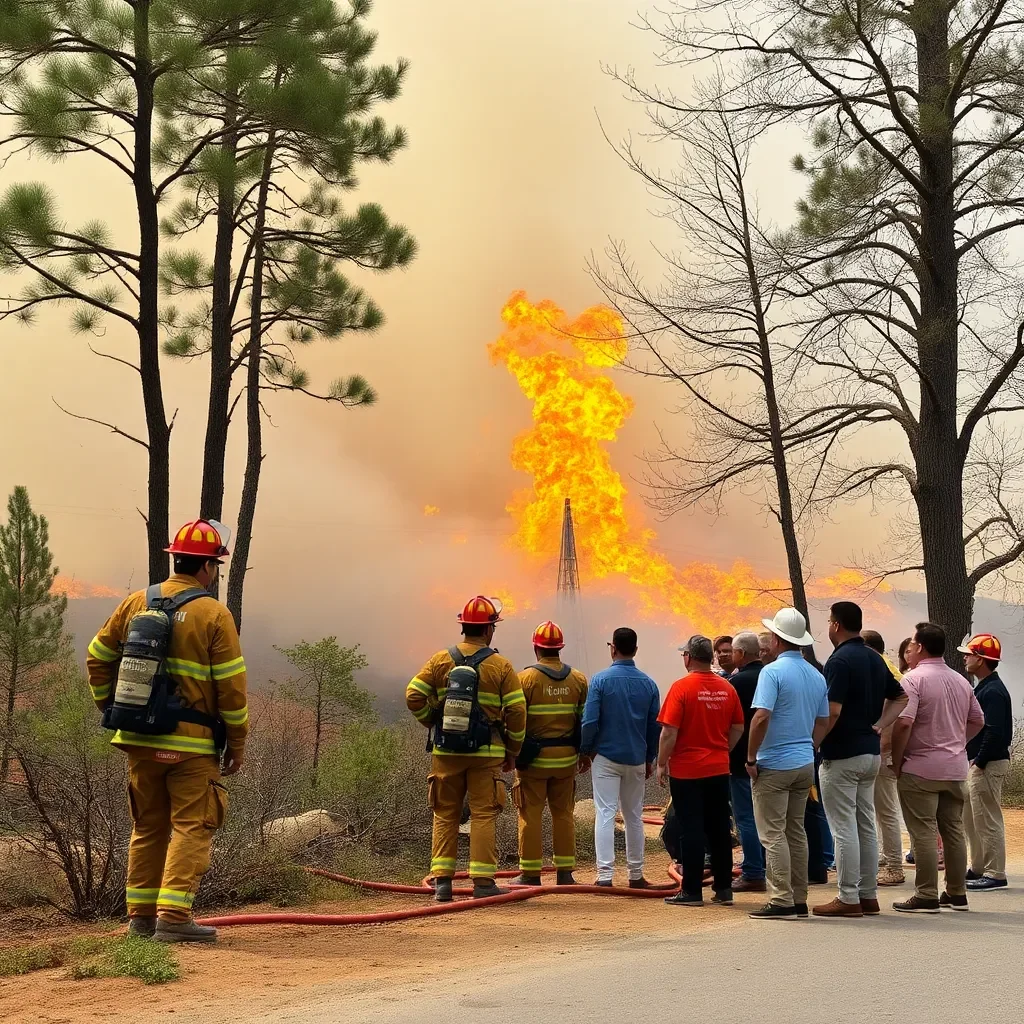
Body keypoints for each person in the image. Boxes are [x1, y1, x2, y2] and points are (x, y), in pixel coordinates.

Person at [86, 519, 248, 943]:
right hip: (191, 747)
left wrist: (113, 707)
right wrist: (237, 742)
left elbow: (98, 658)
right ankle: (174, 918)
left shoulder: (136, 602)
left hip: (139, 741)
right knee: (193, 825)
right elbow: (231, 686)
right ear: (209, 567)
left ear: (174, 558)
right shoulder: (214, 613)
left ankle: (140, 919)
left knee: (148, 827)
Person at [406, 595, 527, 902]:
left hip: (446, 752)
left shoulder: (440, 660)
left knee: (445, 814)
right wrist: (513, 749)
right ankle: (484, 882)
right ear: (489, 630)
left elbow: (413, 695)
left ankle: (443, 883)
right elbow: (516, 711)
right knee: (484, 814)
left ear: (463, 627)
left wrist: (432, 720)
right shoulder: (500, 665)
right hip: (486, 755)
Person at [813, 603, 907, 918]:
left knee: (843, 827)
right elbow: (901, 697)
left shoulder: (838, 660)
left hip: (842, 754)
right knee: (866, 823)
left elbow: (834, 710)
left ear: (836, 625)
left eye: (829, 621)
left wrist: (815, 742)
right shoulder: (874, 657)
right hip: (870, 754)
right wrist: (880, 725)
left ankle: (847, 897)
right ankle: (868, 895)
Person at [890, 622, 985, 914]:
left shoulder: (913, 680)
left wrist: (897, 759)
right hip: (955, 767)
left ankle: (926, 894)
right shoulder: (960, 680)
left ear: (919, 647)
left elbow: (904, 722)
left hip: (920, 767)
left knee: (923, 832)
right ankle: (957, 893)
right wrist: (957, 742)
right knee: (954, 830)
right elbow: (978, 720)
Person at [746, 608, 830, 921]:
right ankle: (799, 898)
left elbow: (761, 717)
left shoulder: (772, 673)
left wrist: (751, 757)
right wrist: (811, 745)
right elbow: (823, 720)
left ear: (779, 639)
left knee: (772, 833)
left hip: (774, 764)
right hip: (803, 763)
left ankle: (781, 898)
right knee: (796, 830)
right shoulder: (815, 674)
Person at [656, 635, 744, 907]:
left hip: (687, 771)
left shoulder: (681, 688)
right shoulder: (726, 688)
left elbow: (669, 731)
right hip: (718, 768)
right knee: (719, 827)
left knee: (691, 828)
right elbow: (738, 727)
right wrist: (721, 750)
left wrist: (661, 763)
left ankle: (692, 891)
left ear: (689, 658)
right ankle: (724, 888)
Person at [580, 627, 661, 888]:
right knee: (634, 816)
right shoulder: (649, 684)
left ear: (612, 648)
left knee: (605, 812)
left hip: (605, 757)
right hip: (636, 758)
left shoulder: (600, 681)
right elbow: (654, 726)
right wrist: (650, 758)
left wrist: (585, 750)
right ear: (635, 650)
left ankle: (605, 875)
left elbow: (590, 720)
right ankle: (636, 875)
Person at [513, 620, 589, 886]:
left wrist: (512, 754)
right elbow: (584, 723)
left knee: (530, 814)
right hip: (567, 760)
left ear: (536, 648)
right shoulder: (578, 679)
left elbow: (514, 721)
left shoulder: (524, 679)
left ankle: (530, 874)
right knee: (563, 813)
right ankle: (565, 873)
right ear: (560, 648)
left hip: (533, 762)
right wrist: (585, 755)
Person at [958, 633, 1013, 892]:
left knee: (988, 818)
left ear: (981, 660)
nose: (965, 658)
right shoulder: (985, 687)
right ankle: (978, 867)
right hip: (980, 762)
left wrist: (979, 762)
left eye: (969, 654)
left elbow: (995, 732)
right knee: (974, 818)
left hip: (987, 764)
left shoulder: (992, 691)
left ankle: (995, 872)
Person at [862, 630, 906, 886]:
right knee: (879, 809)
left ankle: (894, 865)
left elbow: (892, 717)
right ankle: (883, 856)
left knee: (886, 810)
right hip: (882, 749)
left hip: (883, 751)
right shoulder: (884, 668)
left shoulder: (884, 670)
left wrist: (885, 749)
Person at [727, 631, 766, 892]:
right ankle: (766, 865)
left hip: (741, 760)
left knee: (745, 817)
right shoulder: (770, 675)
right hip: (772, 757)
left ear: (741, 653)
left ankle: (753, 871)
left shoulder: (736, 682)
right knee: (768, 817)